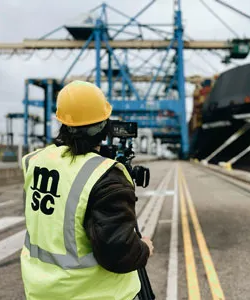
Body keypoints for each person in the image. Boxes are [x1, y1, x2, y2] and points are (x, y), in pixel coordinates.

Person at [20, 80, 154, 300]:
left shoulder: (35, 161)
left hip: (41, 292)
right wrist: (145, 248)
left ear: (62, 122)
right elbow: (117, 254)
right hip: (93, 294)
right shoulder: (106, 177)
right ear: (104, 125)